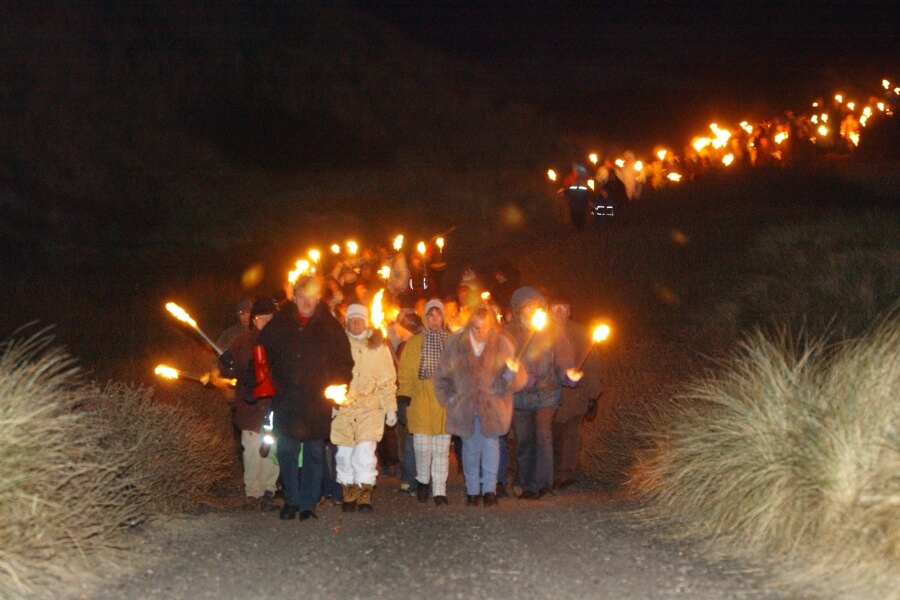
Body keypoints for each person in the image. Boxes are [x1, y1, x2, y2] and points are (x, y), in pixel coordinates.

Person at [256, 275, 354, 521]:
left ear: (318, 297)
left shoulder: (329, 326)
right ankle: (291, 501)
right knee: (287, 452)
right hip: (287, 399)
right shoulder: (279, 324)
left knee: (314, 453)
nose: (307, 302)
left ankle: (308, 504)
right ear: (295, 297)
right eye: (302, 296)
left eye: (312, 297)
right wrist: (257, 377)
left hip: (316, 401)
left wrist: (338, 384)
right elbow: (261, 354)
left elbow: (344, 361)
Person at [433, 305, 527, 507]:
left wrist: (512, 372)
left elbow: (518, 381)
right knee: (470, 448)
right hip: (465, 406)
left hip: (492, 406)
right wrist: (450, 398)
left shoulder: (503, 344)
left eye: (485, 327)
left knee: (491, 447)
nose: (481, 332)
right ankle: (472, 491)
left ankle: (489, 491)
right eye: (476, 327)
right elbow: (442, 375)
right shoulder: (456, 344)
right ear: (470, 326)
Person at [504, 286, 581, 500]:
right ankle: (526, 484)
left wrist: (568, 374)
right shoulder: (509, 332)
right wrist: (521, 378)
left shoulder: (553, 330)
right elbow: (503, 361)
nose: (531, 311)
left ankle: (544, 485)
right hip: (520, 398)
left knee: (544, 437)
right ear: (518, 310)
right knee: (525, 441)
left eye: (535, 307)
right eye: (527, 308)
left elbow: (563, 357)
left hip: (547, 395)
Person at [332, 304, 397, 513]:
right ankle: (348, 490)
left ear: (366, 321)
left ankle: (364, 492)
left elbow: (387, 380)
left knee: (364, 452)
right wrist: (331, 403)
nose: (356, 323)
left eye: (359, 319)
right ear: (347, 322)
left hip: (370, 407)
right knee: (343, 452)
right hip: (344, 408)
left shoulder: (378, 346)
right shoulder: (339, 344)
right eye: (352, 320)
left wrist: (390, 409)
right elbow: (329, 376)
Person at [218, 297, 281, 511]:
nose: (265, 321)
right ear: (253, 320)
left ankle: (268, 490)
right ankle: (252, 493)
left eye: (269, 318)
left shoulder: (281, 341)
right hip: (250, 406)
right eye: (261, 318)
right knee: (252, 449)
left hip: (274, 405)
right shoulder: (242, 342)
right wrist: (227, 364)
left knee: (271, 448)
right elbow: (227, 370)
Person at [397, 299, 451, 506]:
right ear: (425, 317)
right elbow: (407, 372)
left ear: (443, 317)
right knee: (421, 446)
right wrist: (404, 398)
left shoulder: (451, 341)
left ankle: (439, 489)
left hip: (443, 401)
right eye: (430, 315)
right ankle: (422, 481)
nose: (434, 319)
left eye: (438, 315)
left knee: (441, 449)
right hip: (421, 399)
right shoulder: (414, 343)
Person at [548, 297, 603, 489]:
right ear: (548, 309)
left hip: (575, 396)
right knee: (550, 434)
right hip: (548, 395)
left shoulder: (580, 332)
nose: (560, 311)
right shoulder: (539, 333)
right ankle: (551, 473)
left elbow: (593, 365)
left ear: (569, 311)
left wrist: (592, 395)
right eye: (556, 307)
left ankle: (567, 473)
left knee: (571, 433)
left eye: (564, 308)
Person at [210, 299, 252, 395]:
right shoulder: (229, 335)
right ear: (238, 316)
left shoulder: (259, 331)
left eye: (249, 313)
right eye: (242, 314)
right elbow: (216, 354)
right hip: (233, 384)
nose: (246, 317)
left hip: (254, 382)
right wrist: (215, 372)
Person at [562, 163, 592, 229]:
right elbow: (566, 187)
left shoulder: (584, 178)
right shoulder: (569, 178)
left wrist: (588, 198)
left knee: (582, 212)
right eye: (574, 168)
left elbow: (588, 188)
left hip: (582, 198)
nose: (575, 170)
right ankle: (575, 225)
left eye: (576, 168)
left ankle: (580, 226)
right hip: (573, 199)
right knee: (573, 212)